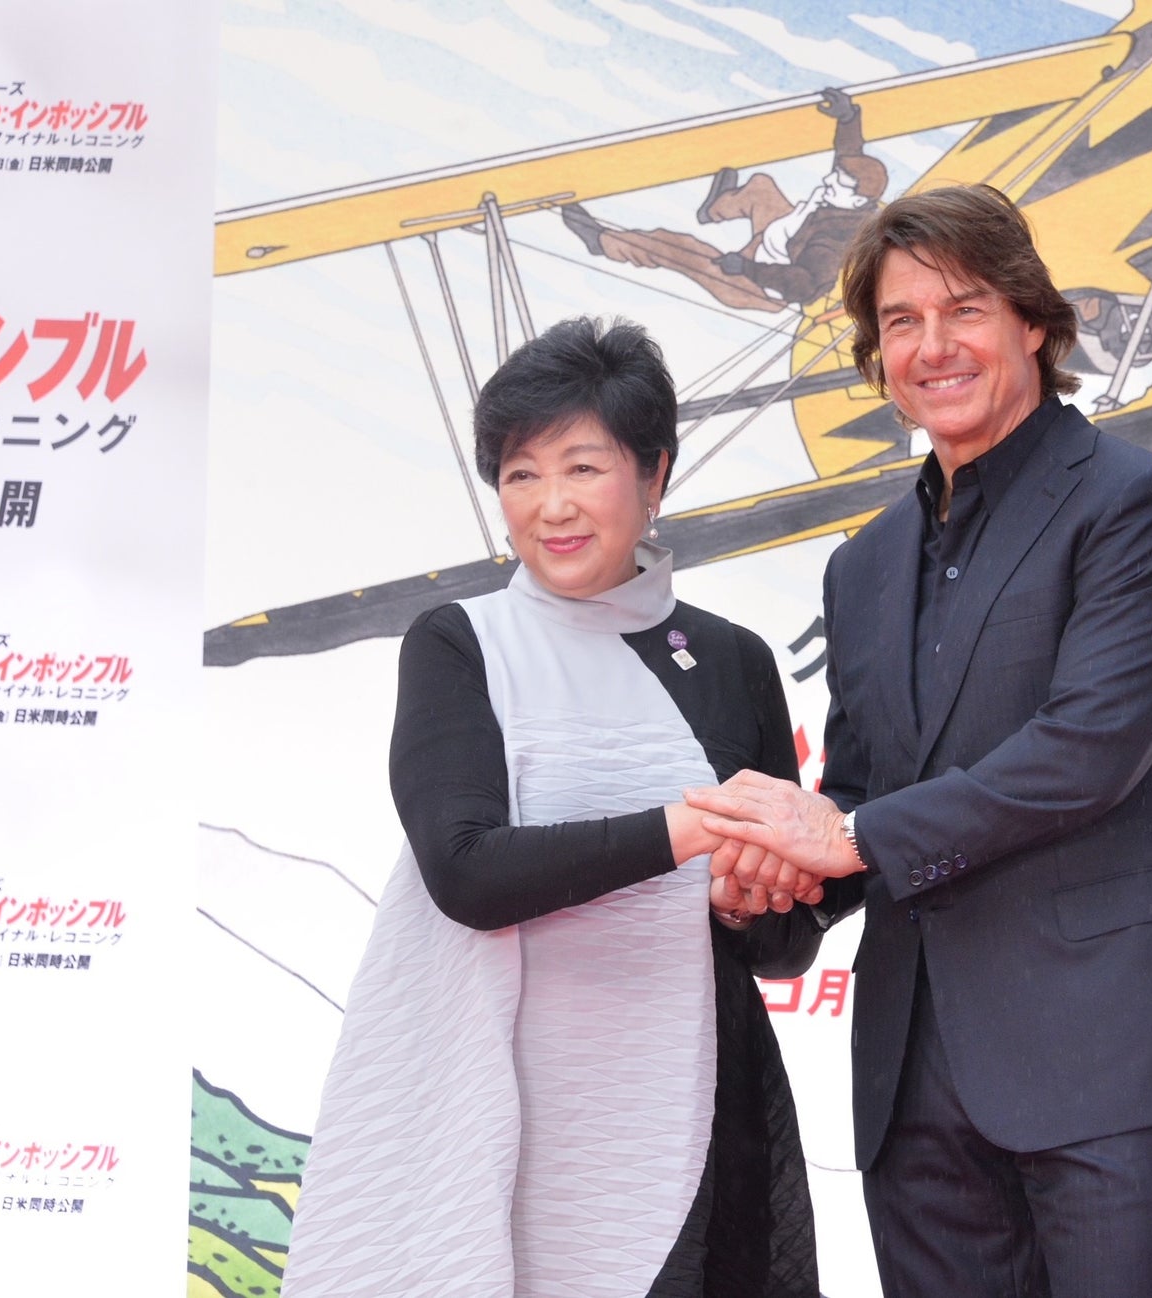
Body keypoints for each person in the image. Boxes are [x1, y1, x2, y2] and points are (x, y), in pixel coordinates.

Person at [686, 185, 1152, 1297]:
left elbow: (1088, 749)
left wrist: (843, 837)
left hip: (1105, 1063)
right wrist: (773, 888)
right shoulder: (863, 564)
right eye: (901, 322)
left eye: (964, 309)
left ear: (1032, 320)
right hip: (913, 1080)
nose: (933, 347)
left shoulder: (1141, 505)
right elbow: (861, 796)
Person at [284, 317, 822, 1298]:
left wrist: (751, 902)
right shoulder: (460, 643)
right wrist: (691, 829)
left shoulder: (735, 660)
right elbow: (467, 873)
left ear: (655, 474)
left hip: (698, 1114)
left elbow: (782, 946)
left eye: (584, 467)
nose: (552, 504)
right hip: (510, 1110)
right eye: (521, 474)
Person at [560, 87, 885, 313]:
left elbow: (804, 286)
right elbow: (849, 154)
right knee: (761, 187)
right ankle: (715, 208)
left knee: (679, 248)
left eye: (839, 182)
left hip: (758, 281)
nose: (829, 180)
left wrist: (746, 267)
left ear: (857, 200)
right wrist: (848, 117)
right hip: (781, 239)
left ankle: (604, 242)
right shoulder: (846, 194)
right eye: (836, 174)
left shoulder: (835, 241)